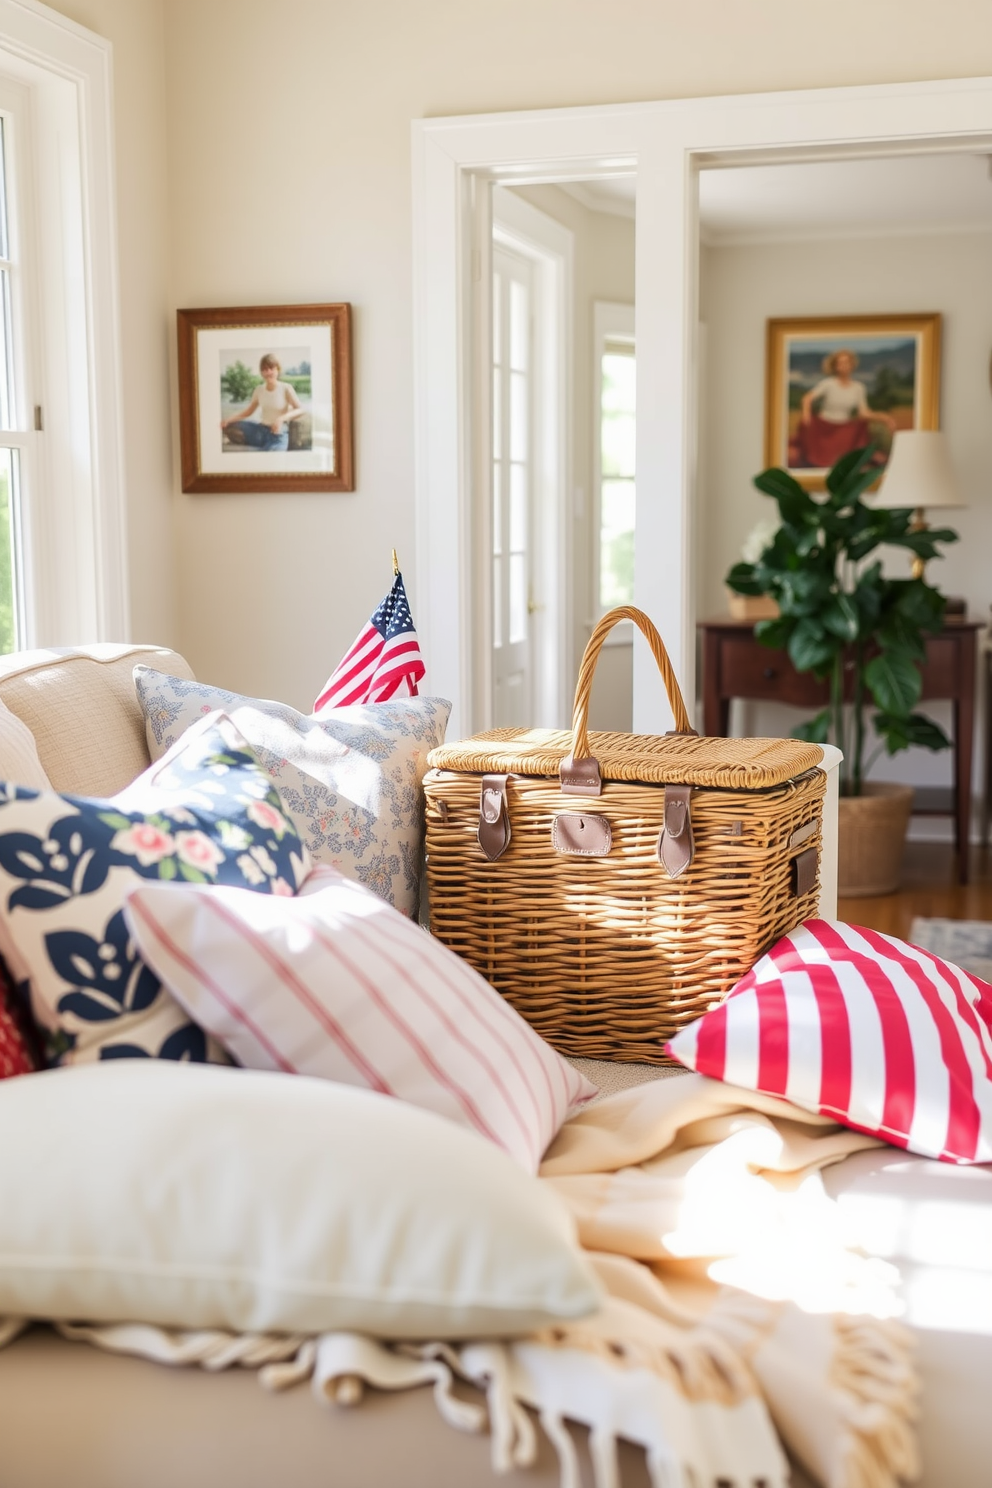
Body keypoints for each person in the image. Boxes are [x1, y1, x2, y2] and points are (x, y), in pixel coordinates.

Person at [790, 348, 896, 470]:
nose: (844, 366)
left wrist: (884, 418)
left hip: (845, 427)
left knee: (862, 425)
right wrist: (806, 415)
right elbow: (807, 399)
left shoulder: (858, 387)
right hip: (825, 427)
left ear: (852, 365)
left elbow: (863, 413)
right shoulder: (828, 384)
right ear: (835, 367)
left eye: (847, 363)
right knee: (809, 431)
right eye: (840, 363)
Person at [221, 354, 303, 451]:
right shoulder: (259, 390)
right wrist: (229, 420)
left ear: (278, 369)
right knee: (230, 425)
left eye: (271, 368)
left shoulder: (286, 388)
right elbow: (248, 412)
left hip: (277, 436)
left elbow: (301, 409)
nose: (268, 372)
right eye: (265, 369)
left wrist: (281, 419)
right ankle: (248, 442)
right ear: (262, 372)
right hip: (260, 432)